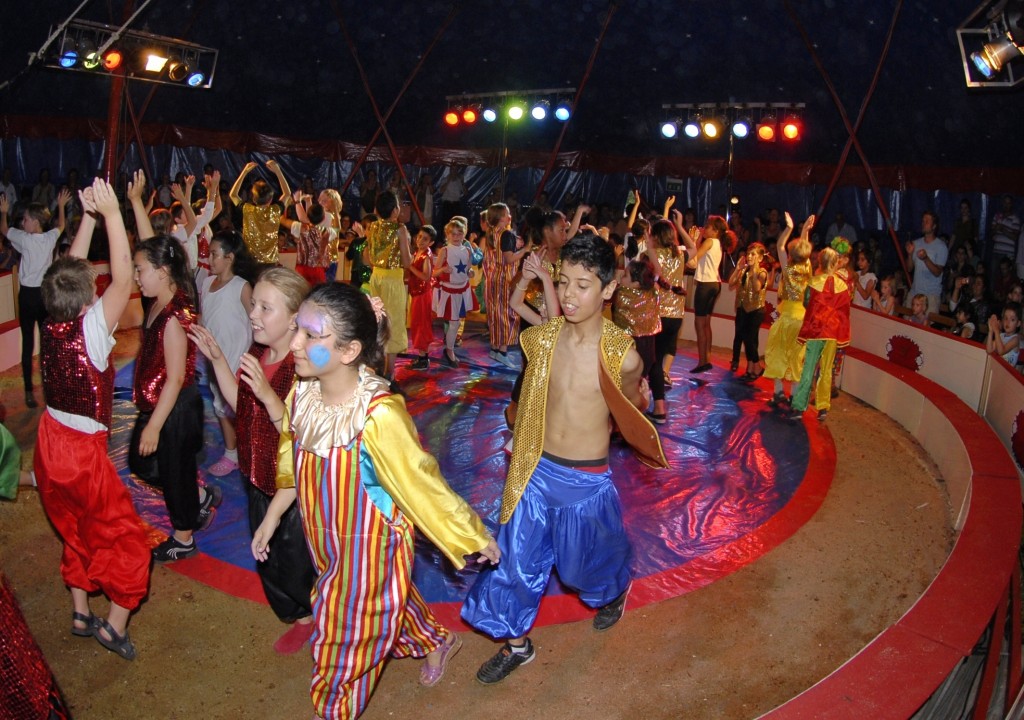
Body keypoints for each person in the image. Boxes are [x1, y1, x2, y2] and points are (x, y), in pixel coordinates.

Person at [252, 283, 499, 718]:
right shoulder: (304, 395)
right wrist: (272, 517)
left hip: (371, 552)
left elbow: (420, 482)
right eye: (297, 330)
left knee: (342, 643)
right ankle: (438, 639)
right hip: (327, 548)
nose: (294, 344)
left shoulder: (377, 413)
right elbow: (292, 464)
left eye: (311, 335)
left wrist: (470, 534)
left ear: (349, 351)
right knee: (386, 603)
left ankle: (333, 709)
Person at [462, 233, 666, 685]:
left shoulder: (624, 357)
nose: (570, 296)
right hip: (534, 471)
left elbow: (629, 414)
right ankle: (517, 645)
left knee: (581, 571)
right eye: (564, 282)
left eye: (583, 285)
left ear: (608, 289)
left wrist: (645, 401)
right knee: (514, 565)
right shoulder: (544, 340)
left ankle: (614, 589)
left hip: (585, 482)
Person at [34, 178, 150, 661]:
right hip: (82, 456)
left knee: (73, 524)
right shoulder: (90, 331)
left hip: (47, 444)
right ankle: (113, 624)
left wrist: (85, 218)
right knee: (125, 538)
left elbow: (68, 270)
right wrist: (112, 215)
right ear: (86, 300)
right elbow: (122, 280)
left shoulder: (51, 319)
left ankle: (81, 609)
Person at [189, 268, 317, 654]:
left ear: (294, 318)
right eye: (254, 305)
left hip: (293, 490)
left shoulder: (306, 368)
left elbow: (302, 434)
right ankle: (303, 618)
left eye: (265, 307)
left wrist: (266, 392)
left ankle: (325, 615)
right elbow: (238, 402)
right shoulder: (258, 354)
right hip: (257, 479)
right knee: (271, 560)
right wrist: (216, 361)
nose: (253, 314)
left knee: (298, 561)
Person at [129, 234, 221, 562]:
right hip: (159, 405)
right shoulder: (155, 301)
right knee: (142, 463)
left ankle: (184, 537)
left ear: (163, 271)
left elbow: (176, 377)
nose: (136, 277)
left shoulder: (173, 317)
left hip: (174, 409)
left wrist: (154, 426)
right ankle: (196, 495)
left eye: (140, 270)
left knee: (173, 471)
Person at [0, 188, 71, 408]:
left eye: (27, 219)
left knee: (30, 343)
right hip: (43, 295)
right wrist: (60, 206)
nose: (23, 223)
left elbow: (3, 229)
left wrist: (4, 211)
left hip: (30, 296)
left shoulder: (24, 238)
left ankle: (30, 390)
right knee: (45, 342)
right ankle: (48, 387)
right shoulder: (48, 237)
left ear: (37, 222)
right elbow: (61, 226)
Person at [199, 230, 256, 476]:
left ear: (230, 257)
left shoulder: (241, 287)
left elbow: (256, 321)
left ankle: (239, 452)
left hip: (236, 356)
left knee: (234, 404)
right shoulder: (205, 283)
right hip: (213, 356)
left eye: (214, 254)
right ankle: (233, 451)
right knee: (219, 403)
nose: (209, 259)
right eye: (209, 254)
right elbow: (205, 315)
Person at [786, 247, 851, 422]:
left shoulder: (813, 283)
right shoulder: (843, 285)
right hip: (832, 333)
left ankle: (799, 406)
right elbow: (845, 312)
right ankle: (823, 407)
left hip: (817, 331)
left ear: (821, 263)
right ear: (835, 263)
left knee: (808, 369)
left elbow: (807, 304)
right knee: (826, 370)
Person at [763, 213, 812, 409]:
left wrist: (790, 228)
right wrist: (805, 231)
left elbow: (779, 246)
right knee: (796, 358)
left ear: (792, 255)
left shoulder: (788, 270)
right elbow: (803, 250)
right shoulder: (807, 268)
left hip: (788, 319)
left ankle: (778, 392)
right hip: (802, 320)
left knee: (777, 354)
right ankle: (794, 396)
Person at [362, 189, 412, 380]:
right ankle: (389, 372)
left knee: (378, 319)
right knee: (394, 322)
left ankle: (376, 365)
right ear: (395, 211)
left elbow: (366, 258)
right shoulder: (400, 229)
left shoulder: (373, 227)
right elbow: (407, 263)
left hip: (376, 277)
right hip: (392, 279)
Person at [681, 215, 737, 373]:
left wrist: (694, 240)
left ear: (716, 230)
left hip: (705, 284)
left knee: (699, 324)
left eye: (708, 226)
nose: (705, 228)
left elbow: (693, 261)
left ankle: (702, 361)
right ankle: (707, 358)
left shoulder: (710, 241)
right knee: (706, 322)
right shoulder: (718, 244)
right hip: (715, 283)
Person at [613, 257, 663, 421]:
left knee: (622, 387)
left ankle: (622, 421)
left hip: (630, 352)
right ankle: (655, 409)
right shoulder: (653, 293)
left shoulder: (621, 295)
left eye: (625, 275)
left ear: (636, 284)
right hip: (648, 353)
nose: (621, 277)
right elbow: (657, 275)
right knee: (639, 383)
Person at [482, 202, 524, 369]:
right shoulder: (505, 233)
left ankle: (495, 348)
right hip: (505, 278)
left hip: (493, 277)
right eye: (507, 213)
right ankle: (503, 351)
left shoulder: (491, 232)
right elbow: (509, 259)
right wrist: (525, 249)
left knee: (495, 313)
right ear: (500, 217)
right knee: (508, 313)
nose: (510, 216)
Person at [432, 217, 477, 369]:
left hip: (462, 290)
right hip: (449, 291)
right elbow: (434, 273)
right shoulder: (444, 251)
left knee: (455, 323)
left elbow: (468, 269)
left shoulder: (468, 251)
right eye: (453, 234)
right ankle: (450, 350)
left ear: (464, 234)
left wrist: (470, 273)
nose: (456, 237)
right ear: (447, 235)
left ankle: (450, 348)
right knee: (453, 323)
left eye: (459, 233)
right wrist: (443, 270)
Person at [229, 160, 292, 264]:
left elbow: (233, 195)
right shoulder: (275, 210)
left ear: (253, 199)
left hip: (250, 262)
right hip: (270, 263)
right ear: (271, 199)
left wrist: (244, 172)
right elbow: (287, 194)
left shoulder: (247, 209)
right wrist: (278, 171)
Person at [728, 242, 768, 381]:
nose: (749, 256)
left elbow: (757, 288)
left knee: (750, 340)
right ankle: (751, 368)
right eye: (748, 254)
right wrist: (738, 268)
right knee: (747, 339)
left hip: (756, 310)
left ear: (760, 258)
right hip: (742, 309)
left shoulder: (762, 272)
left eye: (753, 254)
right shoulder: (743, 271)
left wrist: (755, 269)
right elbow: (731, 283)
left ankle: (756, 366)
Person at [905, 211, 948, 318]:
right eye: (923, 221)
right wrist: (909, 255)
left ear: (934, 226)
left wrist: (925, 258)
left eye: (927, 221)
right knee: (906, 327)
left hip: (930, 296)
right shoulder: (916, 243)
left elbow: (938, 272)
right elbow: (909, 269)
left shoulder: (941, 247)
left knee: (926, 330)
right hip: (915, 292)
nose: (924, 223)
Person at [283, 197, 334, 286]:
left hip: (302, 269)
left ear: (308, 215)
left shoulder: (301, 228)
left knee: (301, 294)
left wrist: (286, 205)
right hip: (318, 270)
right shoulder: (327, 231)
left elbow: (283, 220)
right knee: (317, 296)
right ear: (323, 218)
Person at [406, 225, 436, 370]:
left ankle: (424, 359)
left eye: (425, 239)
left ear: (431, 242)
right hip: (417, 293)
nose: (421, 241)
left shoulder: (426, 256)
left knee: (422, 324)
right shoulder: (418, 252)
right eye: (419, 237)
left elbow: (426, 276)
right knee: (417, 323)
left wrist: (410, 267)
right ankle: (421, 356)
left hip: (423, 295)